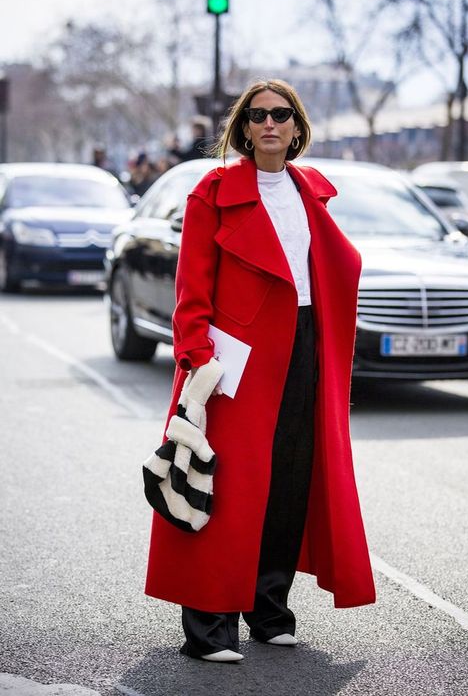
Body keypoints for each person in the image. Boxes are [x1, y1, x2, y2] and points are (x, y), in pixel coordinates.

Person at [145, 79, 376, 662]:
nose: (269, 124)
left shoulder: (309, 194)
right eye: (257, 115)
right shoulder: (213, 192)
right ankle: (208, 629)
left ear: (297, 127)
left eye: (281, 115)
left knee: (289, 482)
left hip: (303, 346)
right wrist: (198, 359)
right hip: (232, 360)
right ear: (243, 129)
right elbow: (190, 292)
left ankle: (268, 609)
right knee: (225, 487)